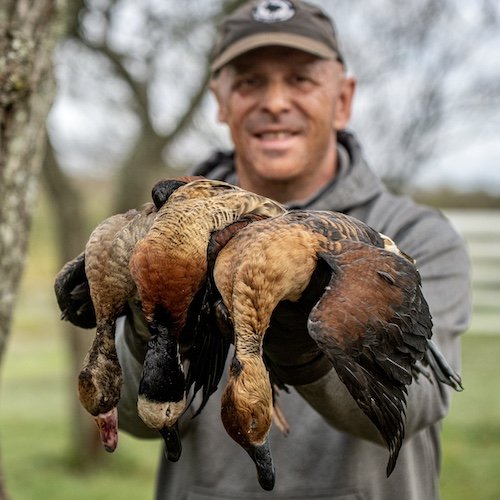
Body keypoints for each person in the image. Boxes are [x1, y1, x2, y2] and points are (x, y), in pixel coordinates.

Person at [115, 1, 471, 498]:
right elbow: (134, 418)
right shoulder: (168, 238)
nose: (275, 102)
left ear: (343, 99)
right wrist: (153, 309)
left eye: (301, 80)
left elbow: (418, 404)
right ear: (220, 101)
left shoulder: (414, 234)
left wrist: (299, 338)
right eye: (249, 82)